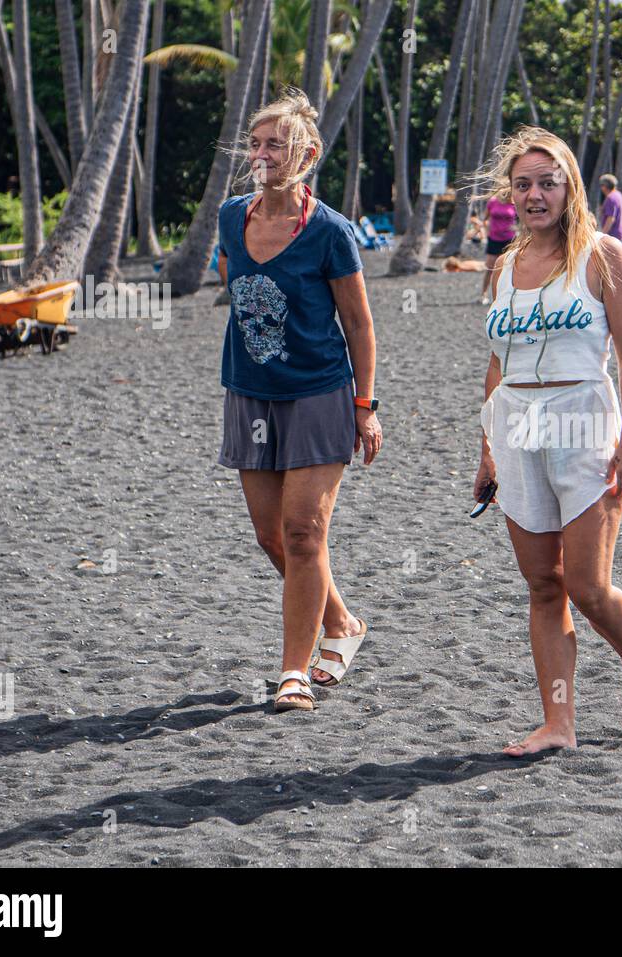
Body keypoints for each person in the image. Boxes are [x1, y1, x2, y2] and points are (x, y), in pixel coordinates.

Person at [473, 126, 622, 755]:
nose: (535, 194)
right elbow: (497, 364)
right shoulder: (502, 267)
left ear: (569, 188)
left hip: (585, 420)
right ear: (512, 193)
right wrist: (487, 449)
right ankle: (559, 723)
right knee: (543, 585)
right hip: (517, 428)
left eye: (547, 183)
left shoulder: (602, 255)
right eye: (523, 184)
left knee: (586, 585)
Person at [215, 88, 383, 713]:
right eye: (255, 144)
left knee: (304, 532)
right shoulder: (233, 217)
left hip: (320, 394)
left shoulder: (332, 232)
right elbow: (233, 285)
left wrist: (365, 406)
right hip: (250, 394)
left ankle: (294, 671)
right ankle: (342, 623)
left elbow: (359, 325)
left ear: (306, 153)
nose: (262, 154)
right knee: (271, 537)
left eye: (274, 145)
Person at [480, 193, 518, 304]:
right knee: (490, 267)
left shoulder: (514, 203)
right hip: (494, 238)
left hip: (509, 239)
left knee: (509, 268)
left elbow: (523, 220)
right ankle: (484, 293)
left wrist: (517, 228)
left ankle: (507, 295)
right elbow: (485, 219)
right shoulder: (493, 201)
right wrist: (486, 229)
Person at [598, 173, 622, 241]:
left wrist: (602, 236)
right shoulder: (620, 195)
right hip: (621, 234)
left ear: (605, 186)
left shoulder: (610, 198)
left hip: (612, 237)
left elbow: (610, 218)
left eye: (601, 185)